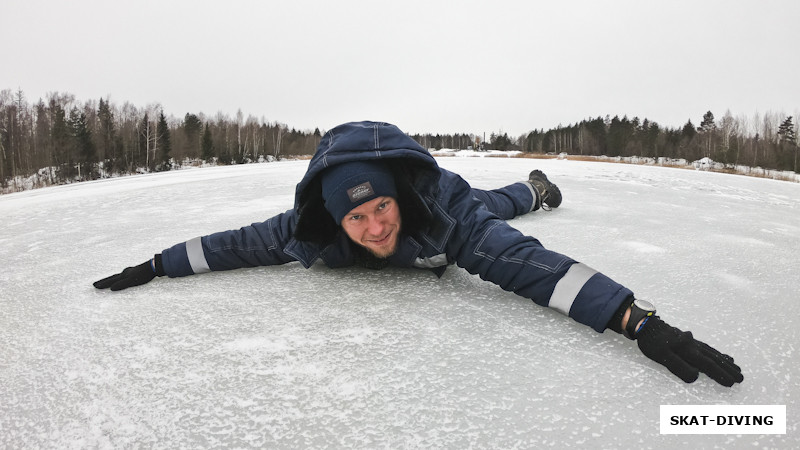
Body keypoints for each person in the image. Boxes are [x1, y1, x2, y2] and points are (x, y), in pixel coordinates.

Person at [94, 120, 743, 387]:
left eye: (381, 207)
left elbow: (531, 267)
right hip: (451, 207)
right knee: (492, 200)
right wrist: (157, 264)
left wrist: (636, 320)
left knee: (496, 207)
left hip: (467, 206)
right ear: (334, 217)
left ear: (398, 197)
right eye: (357, 216)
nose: (375, 226)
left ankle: (535, 188)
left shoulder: (443, 215)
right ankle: (529, 187)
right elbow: (229, 245)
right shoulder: (308, 232)